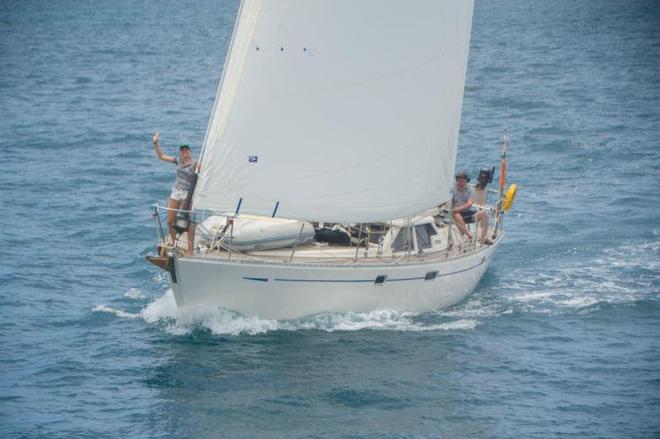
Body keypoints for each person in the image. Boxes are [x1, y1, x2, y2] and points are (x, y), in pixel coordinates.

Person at [152, 132, 198, 255]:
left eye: (186, 149)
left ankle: (190, 249)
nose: (184, 152)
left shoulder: (195, 164)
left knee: (187, 222)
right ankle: (174, 245)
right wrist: (155, 143)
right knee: (170, 221)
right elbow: (161, 156)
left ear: (190, 151)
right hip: (176, 192)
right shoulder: (178, 160)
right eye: (182, 150)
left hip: (187, 194)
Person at [451, 170, 493, 245]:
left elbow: (470, 203)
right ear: (457, 180)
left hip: (467, 213)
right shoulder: (452, 190)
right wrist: (456, 209)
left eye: (464, 180)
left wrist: (458, 208)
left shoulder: (469, 190)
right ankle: (469, 236)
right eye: (459, 180)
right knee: (455, 214)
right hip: (454, 214)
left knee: (484, 213)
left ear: (467, 181)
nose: (461, 182)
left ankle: (483, 238)